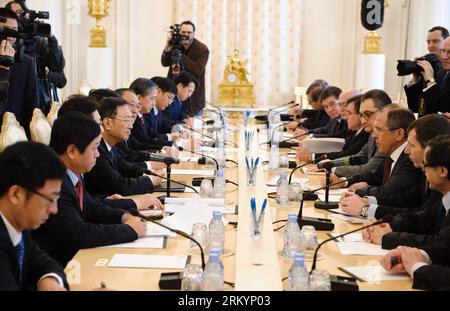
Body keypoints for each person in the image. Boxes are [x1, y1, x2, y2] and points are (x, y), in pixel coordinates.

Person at [32, 113, 150, 266]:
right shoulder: (54, 183)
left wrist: (123, 217)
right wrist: (129, 230)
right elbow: (78, 234)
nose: (98, 154)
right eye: (94, 148)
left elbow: (91, 207)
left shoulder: (73, 173)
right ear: (72, 151)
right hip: (62, 264)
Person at [58, 94, 163, 211]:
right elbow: (118, 186)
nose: (101, 129)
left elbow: (89, 202)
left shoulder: (103, 148)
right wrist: (148, 183)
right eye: (98, 124)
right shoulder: (59, 182)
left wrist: (106, 200)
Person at [341, 114, 450, 219]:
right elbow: (408, 200)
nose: (406, 151)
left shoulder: (433, 176)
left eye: (411, 145)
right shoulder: (424, 173)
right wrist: (368, 202)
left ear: (429, 148)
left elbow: (424, 220)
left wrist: (366, 209)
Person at [362, 135, 450, 250]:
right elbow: (422, 220)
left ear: (442, 171)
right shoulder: (443, 198)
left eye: (426, 165)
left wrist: (388, 237)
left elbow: (444, 245)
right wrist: (388, 226)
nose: (423, 171)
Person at [0, 141, 68, 291]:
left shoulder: (19, 224)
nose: (54, 209)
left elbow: (44, 263)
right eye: (50, 199)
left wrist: (49, 280)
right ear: (16, 194)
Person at [84, 97, 160, 196]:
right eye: (126, 120)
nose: (131, 126)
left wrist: (150, 173)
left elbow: (127, 169)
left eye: (131, 120)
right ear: (107, 123)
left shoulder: (111, 147)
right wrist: (150, 180)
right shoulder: (98, 152)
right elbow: (119, 186)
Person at [329, 89, 392, 178]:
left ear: (384, 111)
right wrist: (329, 164)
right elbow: (355, 158)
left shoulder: (387, 137)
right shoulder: (372, 136)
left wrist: (332, 168)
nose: (363, 121)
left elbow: (368, 170)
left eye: (368, 114)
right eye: (361, 115)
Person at [296, 92, 367, 161]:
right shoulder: (352, 128)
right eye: (339, 104)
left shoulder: (365, 133)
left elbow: (347, 153)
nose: (341, 109)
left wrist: (311, 157)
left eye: (344, 104)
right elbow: (325, 130)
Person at [0, 8, 38, 133]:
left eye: (14, 31)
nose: (10, 36)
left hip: (17, 134)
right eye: (6, 30)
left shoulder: (26, 62)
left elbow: (31, 105)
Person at [161, 20, 209, 115]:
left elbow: (198, 70)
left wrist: (180, 55)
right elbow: (165, 62)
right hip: (173, 94)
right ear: (179, 33)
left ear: (194, 34)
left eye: (189, 32)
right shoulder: (175, 45)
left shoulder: (202, 49)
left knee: (191, 126)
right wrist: (167, 48)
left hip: (193, 97)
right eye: (183, 32)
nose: (186, 35)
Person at [405, 35, 450, 116]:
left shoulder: (434, 75)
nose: (444, 57)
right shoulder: (441, 73)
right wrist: (416, 80)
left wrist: (430, 81)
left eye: (449, 52)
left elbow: (443, 107)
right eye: (443, 51)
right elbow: (416, 107)